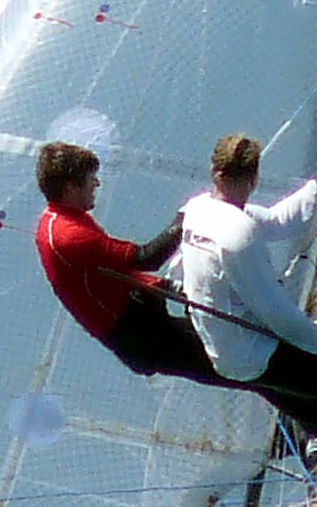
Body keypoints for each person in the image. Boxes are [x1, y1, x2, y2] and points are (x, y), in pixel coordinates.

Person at [168, 132, 317, 449]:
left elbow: (277, 220)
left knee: (307, 400)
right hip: (251, 354)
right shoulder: (237, 232)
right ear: (254, 179)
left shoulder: (200, 209)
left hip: (230, 349)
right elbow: (276, 314)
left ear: (215, 172)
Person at [31, 140, 216, 384]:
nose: (97, 183)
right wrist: (187, 216)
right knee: (241, 368)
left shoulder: (62, 219)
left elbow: (109, 272)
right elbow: (147, 258)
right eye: (90, 179)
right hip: (141, 335)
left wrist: (164, 286)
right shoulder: (69, 235)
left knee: (240, 362)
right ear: (70, 188)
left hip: (142, 321)